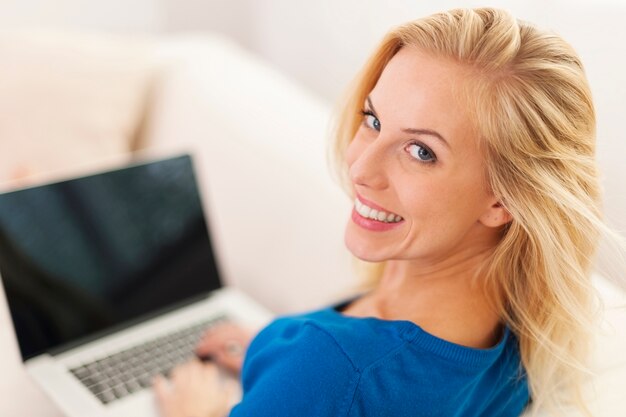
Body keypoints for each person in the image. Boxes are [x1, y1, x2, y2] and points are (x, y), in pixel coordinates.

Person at [153, 7, 606, 416]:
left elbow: (346, 381)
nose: (361, 168)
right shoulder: (512, 335)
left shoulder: (330, 367)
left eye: (421, 151)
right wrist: (271, 356)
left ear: (504, 199)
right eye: (373, 120)